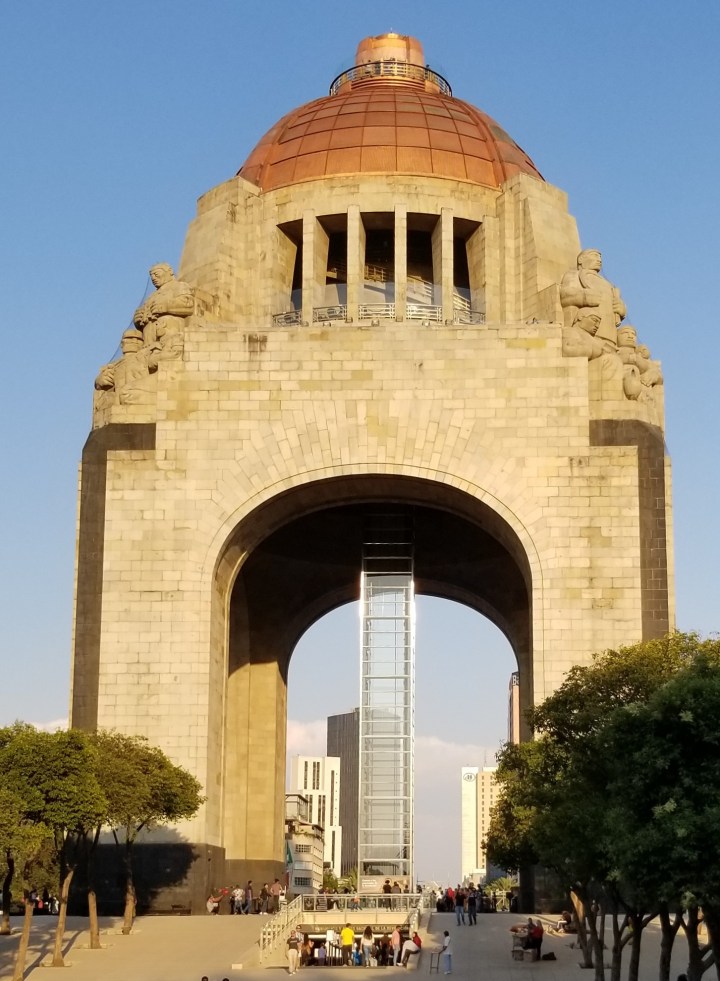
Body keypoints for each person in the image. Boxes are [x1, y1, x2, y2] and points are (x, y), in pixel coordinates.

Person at [560, 248, 627, 351]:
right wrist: (584, 297)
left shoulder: (609, 285)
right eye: (595, 255)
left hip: (610, 337)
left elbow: (618, 308)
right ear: (581, 259)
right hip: (589, 333)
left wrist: (621, 309)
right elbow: (565, 295)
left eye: (600, 257)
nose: (599, 260)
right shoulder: (574, 275)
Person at [133, 262, 194, 346]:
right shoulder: (151, 296)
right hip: (149, 339)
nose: (153, 278)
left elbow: (188, 304)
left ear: (169, 271)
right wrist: (138, 319)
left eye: (156, 274)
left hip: (169, 335)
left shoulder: (179, 286)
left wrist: (166, 306)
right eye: (152, 276)